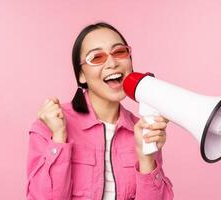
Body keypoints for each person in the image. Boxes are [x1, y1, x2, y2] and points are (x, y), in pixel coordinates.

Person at [26, 22, 174, 200]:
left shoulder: (143, 130)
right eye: (97, 57)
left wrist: (146, 158)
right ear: (81, 75)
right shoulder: (50, 124)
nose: (112, 63)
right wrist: (58, 138)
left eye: (119, 52)